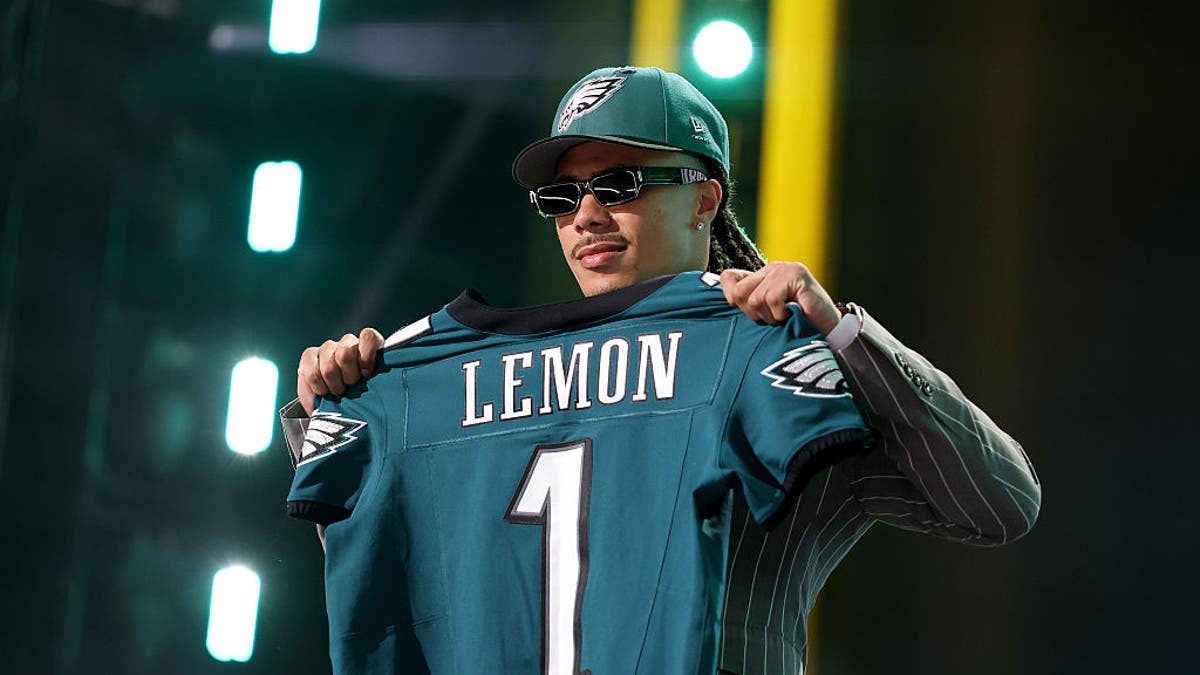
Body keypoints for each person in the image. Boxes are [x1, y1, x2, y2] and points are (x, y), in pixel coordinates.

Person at [282, 66, 1041, 675]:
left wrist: (844, 335)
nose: (586, 215)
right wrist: (338, 417)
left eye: (620, 185)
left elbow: (1000, 502)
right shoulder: (461, 376)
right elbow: (401, 577)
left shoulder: (769, 355)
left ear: (704, 199)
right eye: (562, 196)